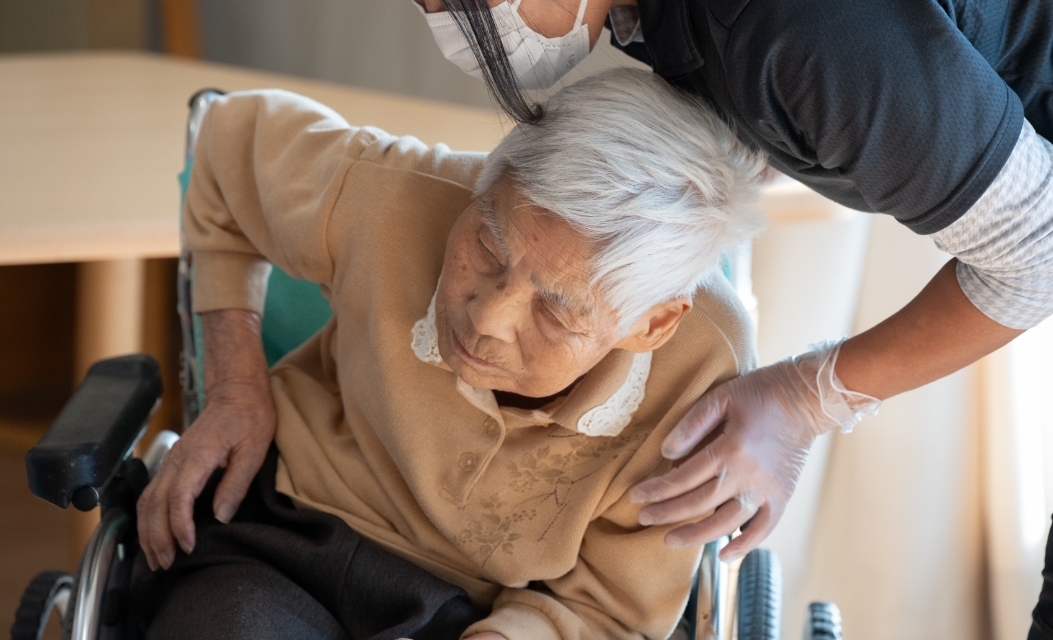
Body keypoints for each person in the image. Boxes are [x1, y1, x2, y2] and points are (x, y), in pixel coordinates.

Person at [415, 0, 1053, 637]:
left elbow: (1049, 251)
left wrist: (805, 399)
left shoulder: (786, 30)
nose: (446, 22)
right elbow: (832, 119)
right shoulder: (667, 23)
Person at [132, 67, 769, 640]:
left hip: (480, 608)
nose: (487, 318)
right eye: (488, 248)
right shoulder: (392, 193)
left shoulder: (702, 366)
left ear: (652, 325)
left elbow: (610, 608)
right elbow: (223, 146)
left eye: (553, 310)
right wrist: (235, 386)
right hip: (279, 534)